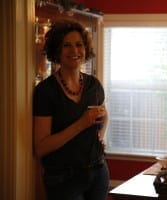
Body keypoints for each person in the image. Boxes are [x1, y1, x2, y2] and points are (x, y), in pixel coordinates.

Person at [33, 19, 109, 200]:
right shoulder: (45, 91)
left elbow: (104, 114)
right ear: (57, 50)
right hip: (63, 179)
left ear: (86, 49)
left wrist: (101, 134)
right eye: (66, 45)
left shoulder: (94, 85)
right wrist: (82, 124)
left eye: (79, 45)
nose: (74, 51)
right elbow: (41, 148)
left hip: (98, 171)